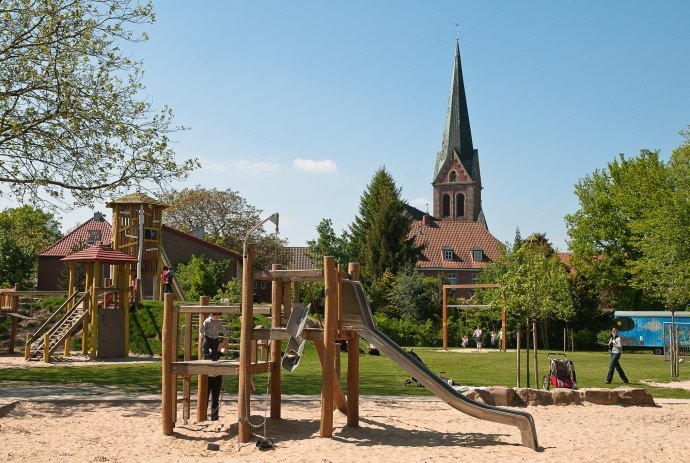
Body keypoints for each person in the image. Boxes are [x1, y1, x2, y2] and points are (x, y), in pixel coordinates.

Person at [200, 313, 229, 420]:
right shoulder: (207, 350)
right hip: (207, 375)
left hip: (217, 376)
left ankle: (214, 417)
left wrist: (224, 343)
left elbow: (224, 350)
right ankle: (203, 416)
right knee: (205, 396)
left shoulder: (218, 349)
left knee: (215, 397)